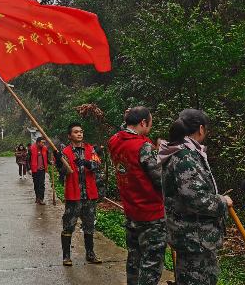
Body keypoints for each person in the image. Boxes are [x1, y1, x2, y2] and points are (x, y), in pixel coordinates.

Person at [158, 109, 233, 285]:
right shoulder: (184, 157)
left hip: (192, 235)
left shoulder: (181, 151)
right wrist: (222, 202)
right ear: (201, 129)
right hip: (194, 237)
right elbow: (197, 200)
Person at [108, 106, 166, 285]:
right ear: (143, 122)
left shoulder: (114, 141)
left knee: (134, 259)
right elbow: (161, 181)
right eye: (150, 122)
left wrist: (126, 120)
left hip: (131, 210)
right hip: (150, 215)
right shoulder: (144, 147)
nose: (150, 126)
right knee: (151, 264)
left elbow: (122, 132)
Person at [54, 122, 103, 266]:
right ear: (70, 135)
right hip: (74, 195)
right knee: (68, 224)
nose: (80, 134)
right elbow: (65, 171)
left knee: (89, 224)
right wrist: (59, 162)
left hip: (89, 194)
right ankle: (66, 256)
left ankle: (90, 253)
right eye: (76, 132)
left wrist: (86, 163)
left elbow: (97, 164)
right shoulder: (66, 152)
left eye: (81, 131)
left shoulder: (90, 149)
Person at [28, 137, 48, 205]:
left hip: (42, 169)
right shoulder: (31, 149)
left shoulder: (45, 149)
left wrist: (49, 162)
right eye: (42, 142)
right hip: (34, 170)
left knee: (42, 184)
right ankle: (37, 197)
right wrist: (29, 169)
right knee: (36, 184)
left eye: (44, 142)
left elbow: (46, 158)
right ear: (38, 143)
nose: (43, 144)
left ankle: (41, 199)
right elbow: (28, 160)